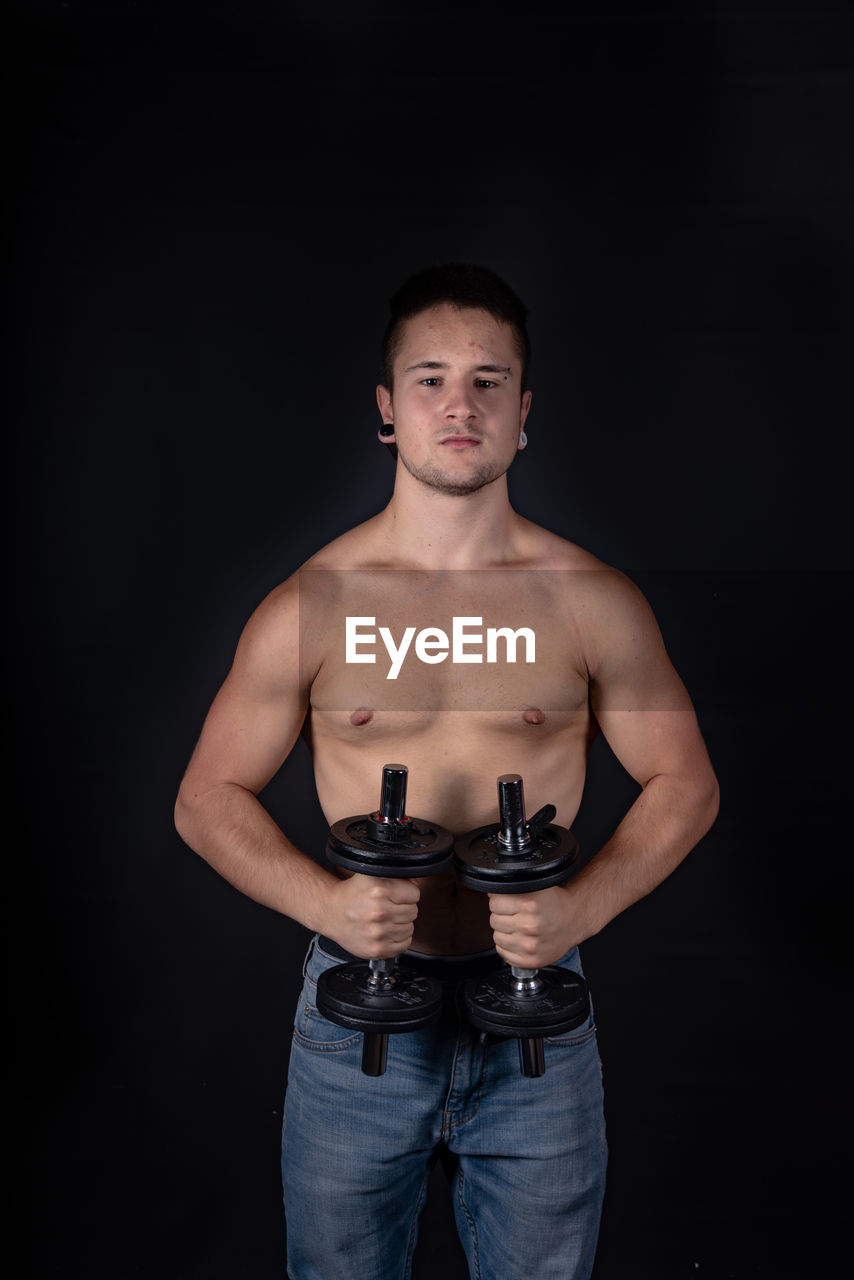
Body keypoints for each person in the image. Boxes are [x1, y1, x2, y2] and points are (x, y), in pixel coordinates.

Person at [174, 263, 719, 1279]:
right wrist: (327, 904)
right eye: (428, 379)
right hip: (355, 1021)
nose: (457, 404)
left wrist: (580, 911)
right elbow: (204, 796)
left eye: (485, 380)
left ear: (524, 412)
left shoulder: (589, 600)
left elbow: (686, 781)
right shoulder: (313, 604)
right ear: (386, 411)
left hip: (535, 1026)